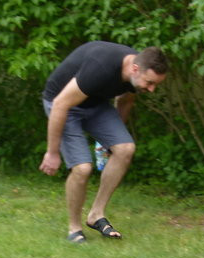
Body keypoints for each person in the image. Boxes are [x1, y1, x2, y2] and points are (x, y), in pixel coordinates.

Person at [39, 41, 168, 243]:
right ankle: (74, 227)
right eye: (149, 83)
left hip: (95, 103)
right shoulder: (101, 67)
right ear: (135, 69)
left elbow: (125, 101)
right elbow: (60, 104)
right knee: (82, 168)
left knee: (125, 148)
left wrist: (108, 142)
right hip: (62, 104)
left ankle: (96, 214)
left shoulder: (134, 73)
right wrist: (52, 152)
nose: (151, 89)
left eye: (155, 85)